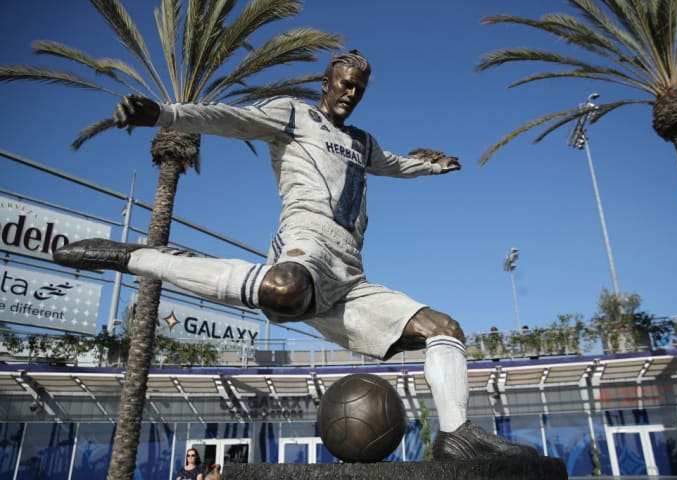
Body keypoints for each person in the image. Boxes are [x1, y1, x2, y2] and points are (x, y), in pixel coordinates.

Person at [54, 50, 537, 461]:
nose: (350, 94)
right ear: (326, 83)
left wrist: (431, 165)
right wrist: (163, 115)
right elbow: (230, 118)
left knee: (445, 329)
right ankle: (139, 256)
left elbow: (394, 164)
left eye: (359, 89)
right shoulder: (292, 114)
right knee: (284, 289)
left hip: (351, 276)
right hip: (307, 249)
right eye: (345, 84)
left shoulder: (362, 143)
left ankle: (455, 437)